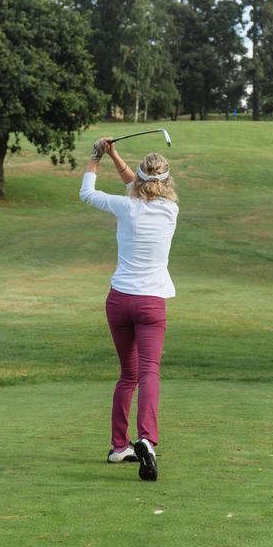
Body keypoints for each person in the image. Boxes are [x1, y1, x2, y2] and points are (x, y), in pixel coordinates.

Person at [80, 138, 179, 482]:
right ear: (167, 181)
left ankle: (118, 446)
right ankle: (147, 439)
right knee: (149, 371)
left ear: (139, 179)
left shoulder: (126, 206)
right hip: (151, 304)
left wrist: (97, 156)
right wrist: (112, 154)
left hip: (119, 301)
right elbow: (139, 185)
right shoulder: (170, 210)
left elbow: (88, 193)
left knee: (128, 375)